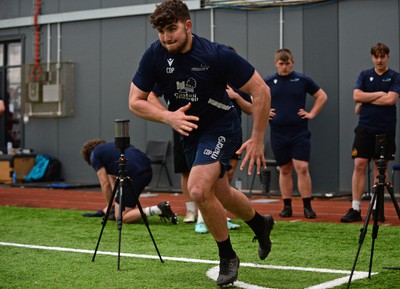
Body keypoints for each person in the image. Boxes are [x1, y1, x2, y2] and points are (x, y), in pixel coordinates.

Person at [128, 0, 274, 286]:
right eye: (162, 32)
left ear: (188, 25)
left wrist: (257, 138)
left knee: (196, 188)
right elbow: (135, 101)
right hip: (188, 129)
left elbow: (261, 90)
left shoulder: (216, 54)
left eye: (172, 29)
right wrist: (167, 116)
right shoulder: (154, 55)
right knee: (219, 191)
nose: (167, 37)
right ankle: (260, 223)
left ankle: (227, 256)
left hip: (221, 125)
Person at [264, 48, 328, 219]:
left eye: (287, 63)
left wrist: (312, 113)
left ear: (293, 62)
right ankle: (287, 206)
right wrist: (264, 112)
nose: (284, 67)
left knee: (302, 168)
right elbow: (255, 97)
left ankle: (307, 205)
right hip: (278, 132)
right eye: (281, 63)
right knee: (285, 169)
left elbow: (322, 96)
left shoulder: (302, 80)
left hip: (299, 132)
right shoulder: (269, 81)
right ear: (275, 64)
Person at [341, 43, 400, 223]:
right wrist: (380, 93)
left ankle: (377, 208)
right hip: (365, 128)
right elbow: (356, 96)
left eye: (383, 56)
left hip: (385, 129)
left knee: (380, 167)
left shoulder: (395, 77)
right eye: (376, 56)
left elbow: (390, 100)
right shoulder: (365, 75)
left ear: (387, 57)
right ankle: (355, 208)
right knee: (359, 164)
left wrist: (368, 98)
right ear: (372, 57)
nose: (379, 60)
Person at [81, 139, 178, 224]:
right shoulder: (111, 148)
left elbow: (105, 183)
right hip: (147, 170)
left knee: (121, 217)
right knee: (123, 206)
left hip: (132, 174)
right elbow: (113, 181)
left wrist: (110, 207)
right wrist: (114, 203)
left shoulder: (94, 155)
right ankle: (134, 211)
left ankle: (157, 209)